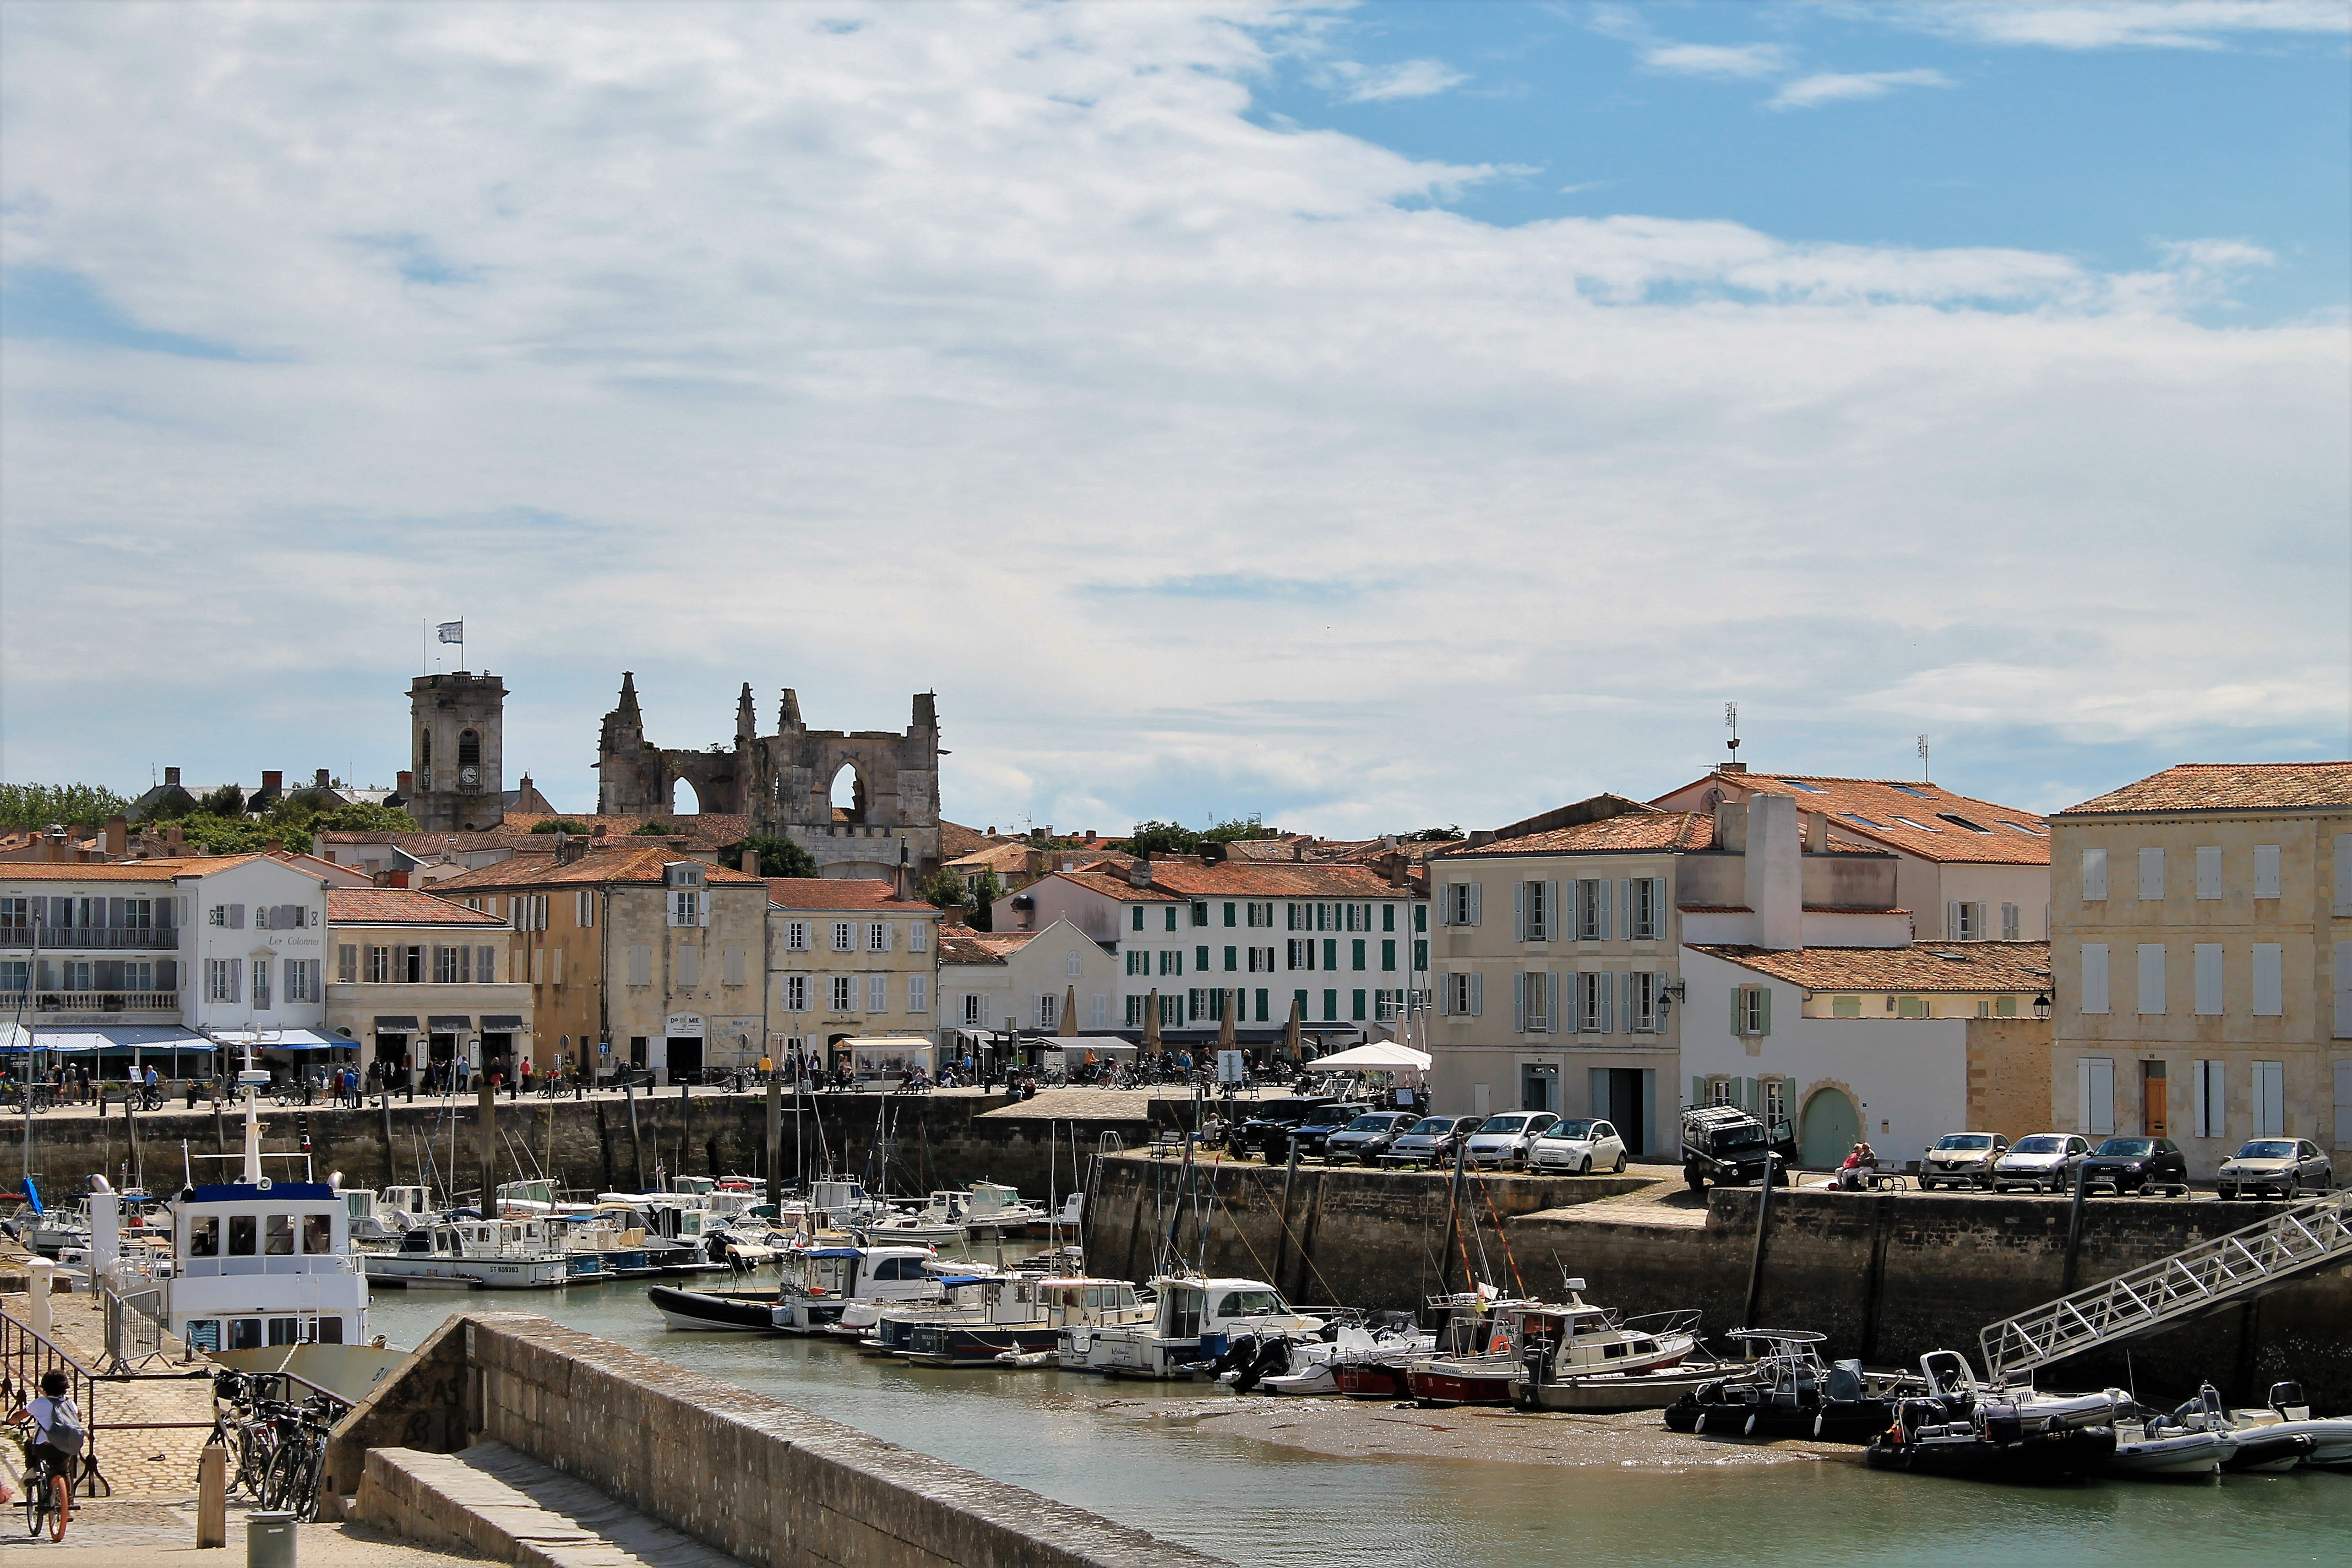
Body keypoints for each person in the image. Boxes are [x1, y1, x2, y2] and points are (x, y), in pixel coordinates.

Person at [13, 1370, 79, 1521]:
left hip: (44, 1448)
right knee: (65, 1471)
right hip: (64, 1448)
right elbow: (78, 1415)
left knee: (30, 1443)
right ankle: (67, 1506)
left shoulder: (40, 1403)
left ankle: (33, 1471)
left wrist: (12, 1422)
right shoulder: (70, 1404)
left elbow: (17, 1417)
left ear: (44, 1388)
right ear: (65, 1388)